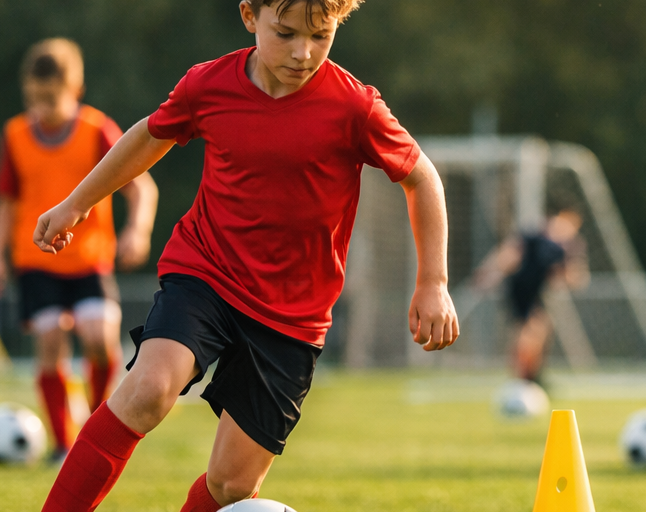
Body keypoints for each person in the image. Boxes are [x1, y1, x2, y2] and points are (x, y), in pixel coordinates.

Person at [34, 1, 459, 510]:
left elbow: (421, 177)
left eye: (320, 36)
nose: (302, 53)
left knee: (232, 486)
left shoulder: (354, 107)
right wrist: (75, 204)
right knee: (148, 389)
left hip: (293, 316)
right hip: (206, 274)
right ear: (248, 16)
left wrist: (433, 281)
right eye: (285, 33)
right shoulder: (208, 85)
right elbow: (151, 135)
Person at [0, 38, 158, 463]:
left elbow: (141, 187)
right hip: (35, 259)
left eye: (51, 98)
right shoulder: (15, 136)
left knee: (99, 338)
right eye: (34, 99)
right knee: (49, 340)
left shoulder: (98, 130)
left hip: (89, 258)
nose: (41, 108)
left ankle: (95, 427)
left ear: (75, 90)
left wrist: (138, 229)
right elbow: (5, 204)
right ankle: (64, 444)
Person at [474, 208, 589, 385]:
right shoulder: (535, 238)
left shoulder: (562, 247)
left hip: (537, 292)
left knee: (540, 331)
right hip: (521, 289)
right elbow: (509, 254)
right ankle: (521, 377)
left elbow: (569, 278)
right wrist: (490, 272)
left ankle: (531, 375)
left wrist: (571, 268)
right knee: (527, 334)